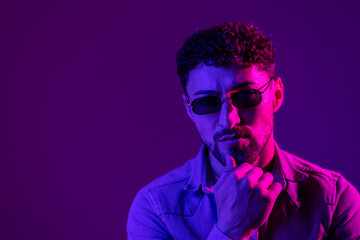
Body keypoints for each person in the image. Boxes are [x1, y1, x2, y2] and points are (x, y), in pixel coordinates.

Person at [127, 21, 360, 239]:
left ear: (276, 95)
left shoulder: (336, 199)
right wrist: (230, 230)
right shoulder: (156, 210)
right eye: (206, 103)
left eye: (246, 96)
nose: (228, 121)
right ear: (189, 109)